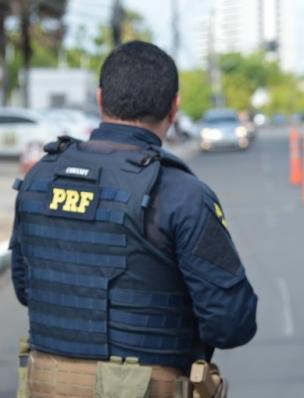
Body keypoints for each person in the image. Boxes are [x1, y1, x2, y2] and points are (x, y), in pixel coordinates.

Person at [10, 41, 258, 397]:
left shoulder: (39, 178)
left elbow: (25, 289)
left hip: (44, 385)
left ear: (100, 99)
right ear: (175, 107)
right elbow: (232, 323)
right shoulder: (181, 193)